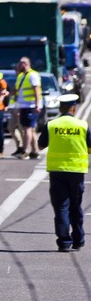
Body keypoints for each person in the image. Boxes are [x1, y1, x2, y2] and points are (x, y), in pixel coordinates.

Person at [38, 94, 90, 252]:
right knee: (76, 207)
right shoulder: (83, 125)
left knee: (61, 207)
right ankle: (78, 239)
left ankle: (64, 242)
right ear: (74, 108)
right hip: (76, 171)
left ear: (60, 108)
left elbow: (40, 145)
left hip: (57, 171)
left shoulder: (51, 125)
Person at [14, 57, 42, 159]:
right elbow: (18, 92)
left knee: (27, 129)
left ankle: (25, 151)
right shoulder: (21, 76)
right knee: (31, 129)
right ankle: (34, 151)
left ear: (25, 64)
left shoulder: (33, 75)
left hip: (31, 106)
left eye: (20, 64)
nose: (18, 66)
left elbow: (36, 91)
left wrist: (37, 105)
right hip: (24, 106)